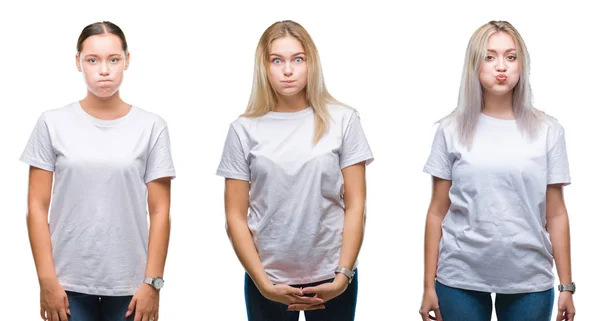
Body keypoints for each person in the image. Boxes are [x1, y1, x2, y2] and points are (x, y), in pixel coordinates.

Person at [216, 20, 373, 321]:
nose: (288, 70)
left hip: (332, 274)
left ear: (311, 63)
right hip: (268, 278)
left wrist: (342, 276)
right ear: (264, 66)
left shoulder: (343, 120)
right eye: (277, 60)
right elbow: (234, 216)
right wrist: (263, 283)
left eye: (297, 59)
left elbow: (356, 205)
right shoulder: (243, 129)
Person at [419, 20, 576, 321]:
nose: (501, 66)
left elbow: (556, 213)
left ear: (522, 65)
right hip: (460, 277)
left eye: (511, 56)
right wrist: (428, 285)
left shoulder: (548, 131)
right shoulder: (450, 130)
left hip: (528, 278)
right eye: (489, 57)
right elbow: (437, 211)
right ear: (474, 65)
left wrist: (566, 286)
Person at [21, 21, 175, 321]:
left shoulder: (152, 126)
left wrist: (153, 283)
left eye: (113, 59)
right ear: (78, 62)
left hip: (131, 287)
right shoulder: (52, 123)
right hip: (67, 286)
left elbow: (160, 210)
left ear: (127, 60)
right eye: (93, 60)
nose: (104, 70)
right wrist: (47, 280)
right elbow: (36, 207)